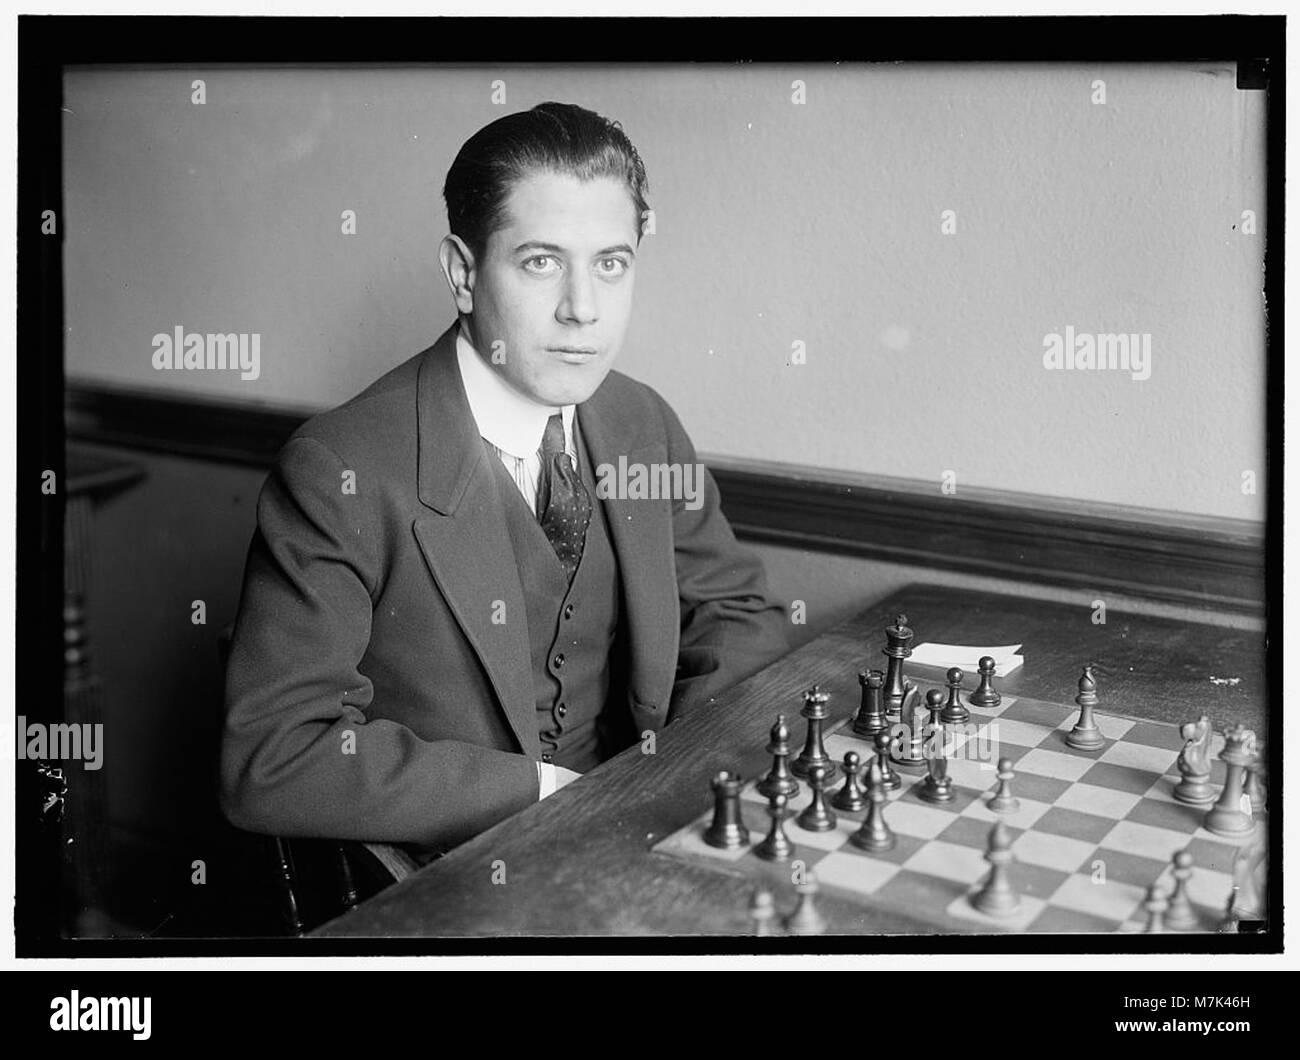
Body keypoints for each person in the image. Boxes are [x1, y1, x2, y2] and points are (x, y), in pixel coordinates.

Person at [220, 101, 789, 864]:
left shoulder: (640, 421)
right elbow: (274, 758)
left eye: (611, 264)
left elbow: (738, 612)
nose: (583, 310)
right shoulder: (338, 469)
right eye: (541, 262)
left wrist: (680, 770)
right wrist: (548, 793)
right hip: (464, 872)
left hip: (646, 832)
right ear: (463, 272)